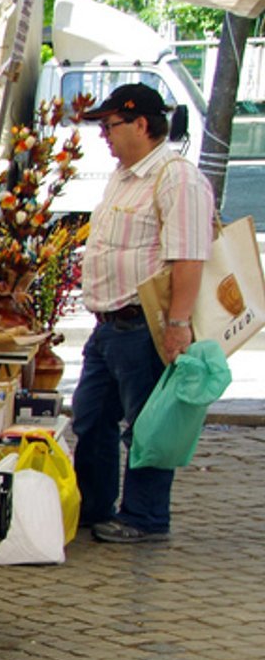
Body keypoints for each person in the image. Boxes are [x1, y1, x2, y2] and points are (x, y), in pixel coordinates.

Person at [72, 83, 216, 544]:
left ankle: (145, 516)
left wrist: (177, 325)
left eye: (110, 124)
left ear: (141, 124)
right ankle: (93, 506)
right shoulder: (123, 173)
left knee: (148, 426)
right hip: (107, 323)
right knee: (90, 418)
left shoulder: (177, 178)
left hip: (143, 325)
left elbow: (189, 257)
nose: (104, 135)